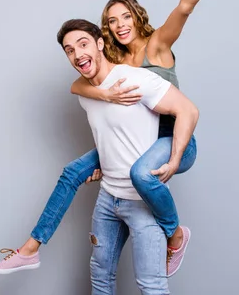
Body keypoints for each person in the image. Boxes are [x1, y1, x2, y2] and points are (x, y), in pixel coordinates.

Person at [0, 0, 238, 276]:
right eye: (112, 20)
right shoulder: (115, 61)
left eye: (125, 17)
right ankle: (30, 249)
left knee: (140, 173)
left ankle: (175, 236)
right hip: (139, 141)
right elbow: (77, 85)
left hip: (171, 137)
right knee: (73, 172)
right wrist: (106, 103)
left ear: (137, 16)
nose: (120, 25)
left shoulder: (158, 45)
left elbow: (185, 6)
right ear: (106, 31)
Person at [69, 19, 198, 293]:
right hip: (106, 201)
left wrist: (174, 159)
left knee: (151, 286)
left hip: (142, 202)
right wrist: (103, 164)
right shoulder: (86, 93)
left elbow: (187, 110)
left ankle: (176, 235)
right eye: (70, 50)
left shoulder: (136, 79)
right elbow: (112, 135)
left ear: (100, 44)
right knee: (100, 279)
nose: (78, 54)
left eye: (83, 44)